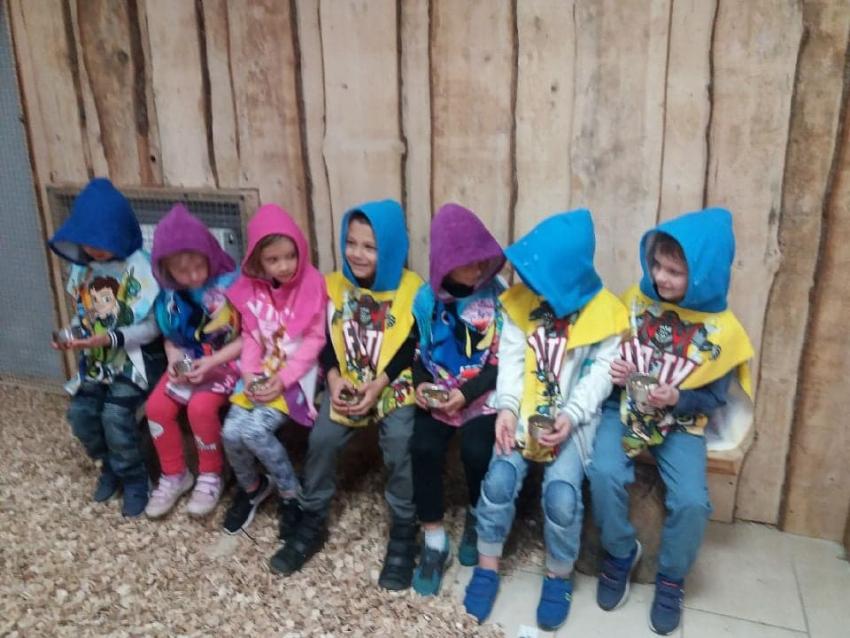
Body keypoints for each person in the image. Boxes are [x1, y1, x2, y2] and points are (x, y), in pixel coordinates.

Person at [588, 207, 754, 635]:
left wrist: (678, 397)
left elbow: (714, 398)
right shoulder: (636, 299)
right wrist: (619, 373)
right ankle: (620, 552)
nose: (660, 277)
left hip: (682, 422)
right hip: (625, 409)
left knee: (693, 501)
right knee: (602, 471)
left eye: (674, 272)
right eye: (657, 265)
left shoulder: (723, 331)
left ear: (702, 275)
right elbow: (610, 354)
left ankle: (671, 578)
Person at [463, 209, 628, 631]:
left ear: (565, 276)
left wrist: (571, 417)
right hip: (523, 412)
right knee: (499, 480)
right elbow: (512, 362)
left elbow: (599, 377)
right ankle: (486, 565)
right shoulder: (522, 305)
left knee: (561, 497)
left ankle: (559, 576)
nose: (528, 284)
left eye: (538, 277)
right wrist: (507, 407)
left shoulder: (605, 315)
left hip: (574, 420)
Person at [270, 200, 423, 592]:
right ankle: (313, 519)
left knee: (401, 442)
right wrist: (334, 378)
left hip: (391, 382)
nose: (357, 253)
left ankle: (404, 530)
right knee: (321, 439)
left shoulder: (411, 289)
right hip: (348, 380)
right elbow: (323, 338)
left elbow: (411, 345)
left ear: (390, 248)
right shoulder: (332, 285)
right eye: (351, 243)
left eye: (370, 247)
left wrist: (381, 384)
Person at [48, 177, 164, 517]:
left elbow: (153, 328)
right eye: (88, 241)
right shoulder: (84, 270)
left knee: (115, 415)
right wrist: (70, 335)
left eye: (102, 241)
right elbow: (84, 316)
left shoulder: (142, 268)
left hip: (138, 360)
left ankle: (135, 479)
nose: (94, 249)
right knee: (81, 415)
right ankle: (110, 464)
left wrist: (111, 338)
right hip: (99, 362)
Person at [409, 203, 505, 596]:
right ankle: (434, 540)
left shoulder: (497, 299)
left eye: (482, 258)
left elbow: (500, 362)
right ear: (446, 264)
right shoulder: (425, 300)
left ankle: (477, 515)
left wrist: (466, 394)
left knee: (478, 450)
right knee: (422, 447)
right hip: (438, 392)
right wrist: (420, 385)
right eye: (468, 262)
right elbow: (418, 352)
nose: (478, 268)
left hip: (481, 394)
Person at [219, 204, 327, 537]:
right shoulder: (254, 287)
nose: (284, 266)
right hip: (261, 372)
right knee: (231, 432)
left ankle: (291, 493)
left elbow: (315, 341)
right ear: (258, 262)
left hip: (296, 376)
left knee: (254, 432)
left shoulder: (311, 283)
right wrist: (250, 375)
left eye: (290, 256)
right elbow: (252, 335)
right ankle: (252, 487)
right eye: (273, 259)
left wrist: (282, 379)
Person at [144, 204, 242, 518]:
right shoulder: (170, 294)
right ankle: (175, 474)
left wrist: (213, 363)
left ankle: (211, 474)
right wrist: (173, 360)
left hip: (227, 359)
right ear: (166, 270)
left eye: (198, 266)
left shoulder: (232, 284)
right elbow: (170, 336)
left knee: (201, 408)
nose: (193, 276)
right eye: (182, 272)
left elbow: (250, 338)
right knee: (156, 408)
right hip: (189, 359)